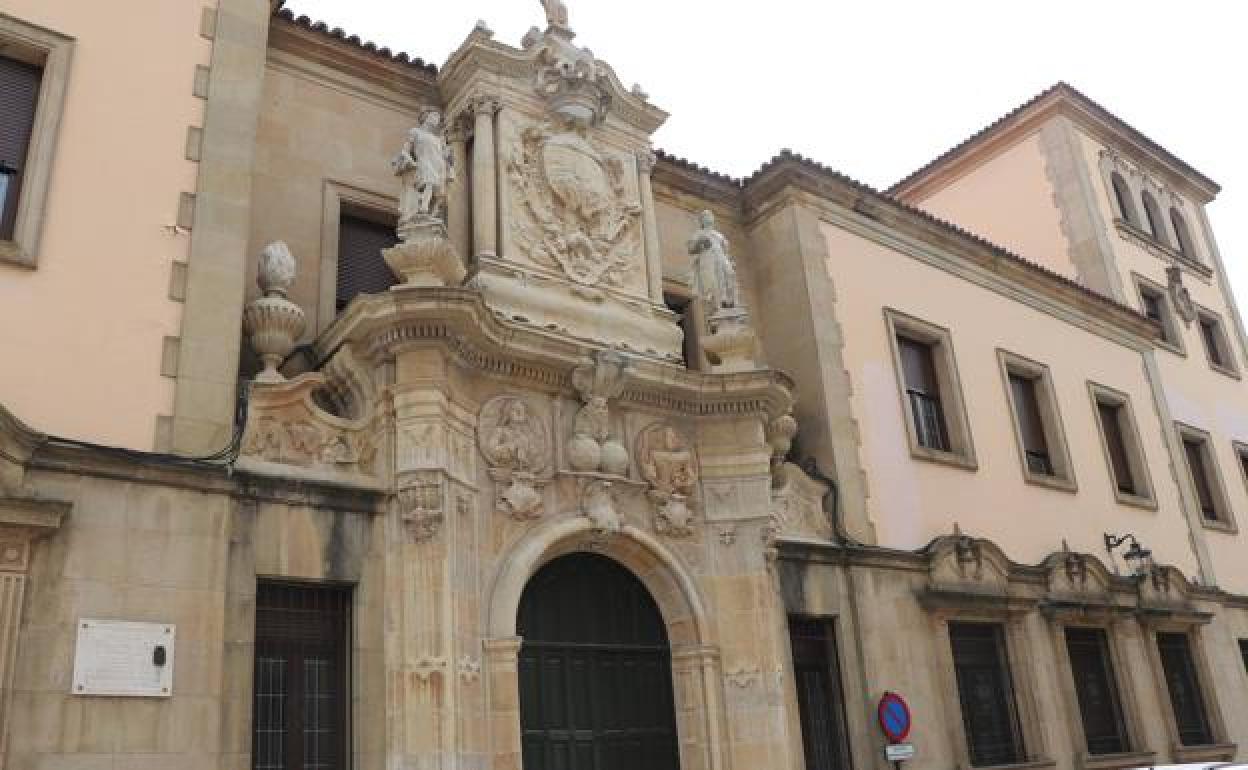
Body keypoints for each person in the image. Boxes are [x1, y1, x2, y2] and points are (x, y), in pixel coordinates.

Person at [392, 110, 454, 226]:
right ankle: (423, 208)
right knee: (429, 182)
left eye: (438, 118)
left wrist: (449, 159)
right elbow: (406, 149)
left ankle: (432, 213)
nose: (436, 120)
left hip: (439, 165)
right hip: (424, 162)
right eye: (434, 116)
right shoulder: (416, 132)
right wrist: (409, 160)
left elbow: (444, 155)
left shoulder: (438, 139)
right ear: (426, 117)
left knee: (439, 193)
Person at [687, 210, 740, 315]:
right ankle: (718, 304)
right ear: (701, 221)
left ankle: (727, 301)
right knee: (712, 282)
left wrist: (728, 260)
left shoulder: (719, 235)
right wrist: (701, 242)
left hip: (721, 258)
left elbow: (726, 250)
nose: (708, 218)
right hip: (708, 259)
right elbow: (691, 249)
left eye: (710, 216)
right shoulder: (699, 234)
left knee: (729, 276)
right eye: (705, 216)